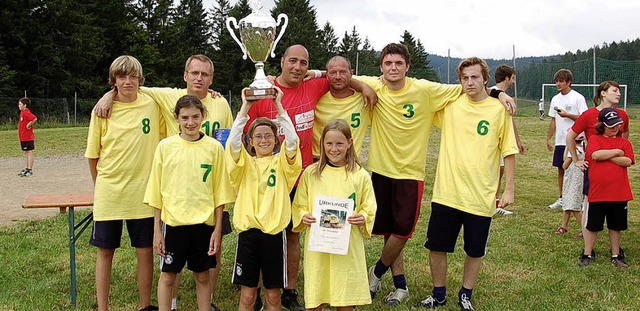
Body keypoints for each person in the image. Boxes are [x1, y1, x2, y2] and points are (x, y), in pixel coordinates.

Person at [358, 43, 515, 308]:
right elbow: (338, 74)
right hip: (392, 174)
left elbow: (506, 145)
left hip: (424, 177)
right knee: (396, 233)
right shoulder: (379, 86)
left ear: (408, 66)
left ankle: (378, 273)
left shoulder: (429, 91)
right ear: (381, 67)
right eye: (388, 63)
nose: (393, 68)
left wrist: (498, 93)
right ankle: (407, 287)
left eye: (399, 63)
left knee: (408, 232)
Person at [95, 54, 233, 311]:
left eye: (205, 74)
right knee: (172, 266)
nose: (199, 78)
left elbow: (229, 140)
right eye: (194, 73)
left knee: (212, 254)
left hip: (207, 195)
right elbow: (132, 83)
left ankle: (209, 301)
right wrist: (109, 93)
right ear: (185, 75)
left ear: (212, 79)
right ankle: (170, 303)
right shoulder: (169, 98)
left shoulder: (221, 103)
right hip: (175, 200)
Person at [245, 44, 375, 311]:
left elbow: (339, 76)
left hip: (302, 174)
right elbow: (248, 138)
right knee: (263, 231)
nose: (297, 67)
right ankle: (256, 290)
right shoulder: (264, 93)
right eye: (292, 61)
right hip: (271, 178)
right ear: (281, 61)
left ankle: (290, 291)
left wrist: (364, 87)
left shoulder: (314, 86)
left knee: (294, 233)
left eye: (303, 63)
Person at [416, 57, 518, 311]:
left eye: (475, 77)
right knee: (437, 246)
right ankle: (439, 293)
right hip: (447, 193)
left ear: (485, 78)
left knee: (474, 250)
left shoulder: (498, 111)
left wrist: (509, 189)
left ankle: (465, 294)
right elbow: (421, 98)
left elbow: (509, 151)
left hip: (480, 196)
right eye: (465, 78)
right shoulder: (451, 105)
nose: (470, 82)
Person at [85, 55, 161, 311]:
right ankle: (102, 307)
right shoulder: (102, 111)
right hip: (110, 194)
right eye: (121, 77)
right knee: (105, 252)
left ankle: (145, 306)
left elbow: (182, 96)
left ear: (140, 79)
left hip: (143, 194)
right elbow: (93, 155)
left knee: (145, 251)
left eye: (132, 77)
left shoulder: (152, 105)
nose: (128, 82)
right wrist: (102, 187)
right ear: (114, 80)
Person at [145, 95, 235, 310]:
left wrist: (217, 230)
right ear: (176, 118)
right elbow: (156, 191)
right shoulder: (165, 147)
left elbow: (220, 191)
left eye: (195, 116)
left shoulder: (213, 148)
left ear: (204, 116)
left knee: (203, 276)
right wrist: (157, 231)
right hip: (174, 224)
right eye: (185, 117)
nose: (190, 122)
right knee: (168, 276)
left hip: (203, 224)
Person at [227, 87, 302, 311]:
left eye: (268, 135)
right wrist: (245, 108)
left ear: (275, 139)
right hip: (249, 236)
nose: (263, 140)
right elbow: (232, 143)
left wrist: (279, 106)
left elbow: (293, 142)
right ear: (250, 141)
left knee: (272, 296)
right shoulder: (243, 164)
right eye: (257, 136)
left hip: (273, 235)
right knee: (248, 296)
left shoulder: (282, 164)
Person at [292, 119, 377, 310]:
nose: (334, 149)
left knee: (344, 298)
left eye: (339, 143)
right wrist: (304, 215)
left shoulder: (359, 175)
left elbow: (369, 205)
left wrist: (363, 217)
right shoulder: (311, 173)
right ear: (322, 144)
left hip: (346, 247)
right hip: (318, 247)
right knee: (315, 296)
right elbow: (299, 204)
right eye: (329, 143)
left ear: (349, 143)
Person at [579, 107, 634, 268]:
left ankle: (616, 254)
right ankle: (587, 253)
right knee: (593, 225)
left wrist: (608, 155)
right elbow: (595, 155)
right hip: (598, 192)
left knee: (616, 225)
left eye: (617, 125)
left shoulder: (625, 142)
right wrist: (617, 152)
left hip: (619, 192)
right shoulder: (595, 140)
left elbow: (628, 161)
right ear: (602, 125)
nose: (615, 129)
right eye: (611, 126)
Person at [312, 56, 371, 159]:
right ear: (327, 75)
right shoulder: (316, 99)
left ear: (351, 73)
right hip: (319, 162)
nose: (338, 77)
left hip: (349, 163)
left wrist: (364, 87)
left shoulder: (364, 99)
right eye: (333, 72)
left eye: (343, 72)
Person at [546, 69, 588, 209]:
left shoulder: (578, 98)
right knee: (561, 169)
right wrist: (549, 139)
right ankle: (562, 198)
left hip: (576, 140)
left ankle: (581, 199)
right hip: (560, 140)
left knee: (578, 170)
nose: (558, 84)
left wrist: (568, 115)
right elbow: (553, 120)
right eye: (556, 81)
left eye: (561, 81)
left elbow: (584, 118)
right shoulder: (555, 99)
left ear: (568, 82)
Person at [490, 65, 525, 216]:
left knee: (501, 169)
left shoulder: (505, 97)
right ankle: (491, 202)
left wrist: (517, 140)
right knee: (494, 170)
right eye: (513, 78)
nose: (513, 82)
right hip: (492, 140)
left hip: (503, 139)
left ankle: (495, 203)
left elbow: (509, 121)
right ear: (507, 77)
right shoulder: (492, 94)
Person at [555, 133, 585, 236]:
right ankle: (564, 226)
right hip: (578, 178)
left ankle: (585, 228)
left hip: (573, 179)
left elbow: (564, 165)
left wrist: (567, 148)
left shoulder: (572, 152)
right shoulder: (583, 149)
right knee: (568, 202)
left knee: (573, 205)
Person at [17, 97, 37, 177]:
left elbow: (34, 118)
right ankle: (26, 168)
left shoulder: (26, 112)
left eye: (20, 104)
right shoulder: (22, 112)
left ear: (25, 105)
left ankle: (30, 170)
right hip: (23, 137)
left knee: (29, 152)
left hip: (28, 137)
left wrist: (29, 124)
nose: (19, 105)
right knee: (26, 152)